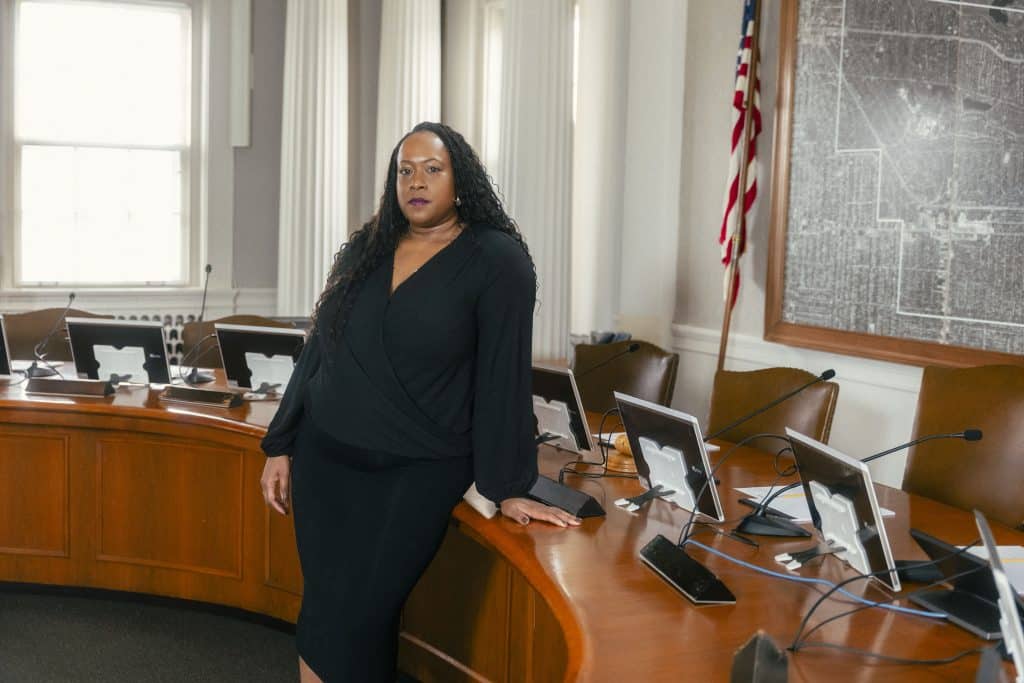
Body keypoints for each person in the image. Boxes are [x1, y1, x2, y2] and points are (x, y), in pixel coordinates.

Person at [259, 121, 581, 682]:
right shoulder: (369, 244)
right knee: (328, 609)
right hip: (326, 461)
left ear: (461, 179)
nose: (417, 181)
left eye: (433, 169)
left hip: (414, 470)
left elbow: (502, 376)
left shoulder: (497, 259)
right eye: (405, 170)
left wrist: (507, 486)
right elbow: (320, 348)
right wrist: (281, 442)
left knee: (356, 615)